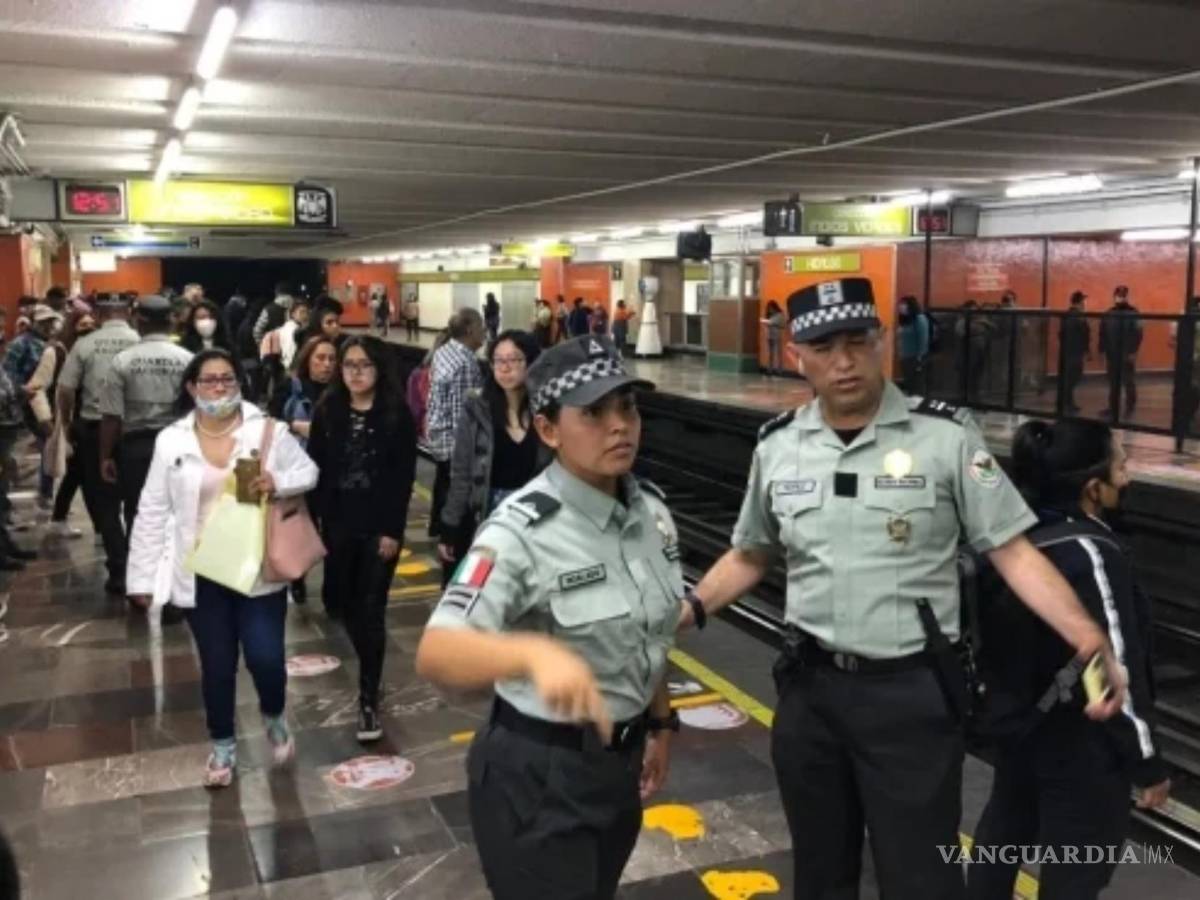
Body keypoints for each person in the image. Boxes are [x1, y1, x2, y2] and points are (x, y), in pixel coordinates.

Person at [679, 277, 1125, 900]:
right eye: (824, 345)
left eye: (858, 341)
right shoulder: (778, 446)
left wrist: (1087, 636)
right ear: (794, 355)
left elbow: (1012, 550)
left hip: (911, 696)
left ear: (882, 342)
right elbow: (752, 552)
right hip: (810, 693)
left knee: (920, 876)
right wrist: (690, 608)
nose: (844, 360)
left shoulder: (943, 437)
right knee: (820, 871)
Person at [416, 334, 680, 900]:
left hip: (617, 766)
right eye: (593, 412)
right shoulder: (520, 531)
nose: (620, 425)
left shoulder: (649, 512)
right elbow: (436, 652)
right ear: (548, 430)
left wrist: (659, 722)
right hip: (537, 776)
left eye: (627, 406)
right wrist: (531, 652)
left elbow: (647, 629)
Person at [969, 418, 1168, 900]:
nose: (1128, 477)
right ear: (1092, 488)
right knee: (1076, 874)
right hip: (1082, 744)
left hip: (1018, 728)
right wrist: (1145, 760)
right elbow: (1110, 657)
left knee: (999, 847)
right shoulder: (1089, 552)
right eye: (1120, 465)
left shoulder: (1016, 539)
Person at [126, 349, 318, 787]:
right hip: (201, 572)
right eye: (209, 381)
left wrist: (278, 481)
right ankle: (223, 747)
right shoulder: (171, 440)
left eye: (227, 380)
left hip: (256, 569)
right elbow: (152, 510)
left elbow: (309, 472)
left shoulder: (266, 429)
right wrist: (139, 579)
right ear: (192, 387)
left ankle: (273, 712)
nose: (219, 388)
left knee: (267, 657)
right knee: (217, 665)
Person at [307, 337, 417, 738]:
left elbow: (403, 478)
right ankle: (370, 663)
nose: (355, 372)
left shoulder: (396, 415)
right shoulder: (329, 411)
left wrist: (393, 530)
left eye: (364, 365)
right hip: (338, 525)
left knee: (371, 610)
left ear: (379, 370)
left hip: (378, 528)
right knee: (344, 605)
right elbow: (316, 468)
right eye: (348, 364)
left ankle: (368, 697)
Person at [99, 295, 193, 613]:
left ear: (138, 321)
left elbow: (111, 417)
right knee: (176, 517)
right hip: (178, 445)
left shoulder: (122, 361)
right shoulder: (186, 359)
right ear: (171, 322)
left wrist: (105, 456)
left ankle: (141, 587)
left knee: (139, 516)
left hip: (135, 448)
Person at [438, 329, 545, 575]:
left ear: (532, 362)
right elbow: (462, 473)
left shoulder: (548, 411)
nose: (505, 368)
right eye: (498, 360)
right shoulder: (477, 408)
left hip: (536, 519)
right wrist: (450, 526)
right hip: (486, 516)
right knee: (484, 589)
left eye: (514, 359)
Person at [57, 295, 139, 591]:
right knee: (136, 501)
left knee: (104, 502)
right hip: (134, 431)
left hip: (94, 430)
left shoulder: (85, 344)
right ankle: (138, 565)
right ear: (128, 313)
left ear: (100, 314)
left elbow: (66, 390)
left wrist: (66, 424)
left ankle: (118, 568)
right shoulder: (140, 341)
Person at [426, 309, 485, 545]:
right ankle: (451, 534)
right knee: (456, 490)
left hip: (437, 433)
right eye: (481, 327)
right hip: (453, 440)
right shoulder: (465, 362)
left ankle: (437, 526)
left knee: (441, 483)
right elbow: (466, 413)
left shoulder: (444, 351)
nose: (484, 332)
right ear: (470, 330)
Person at [5, 304, 60, 509]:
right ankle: (45, 493)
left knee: (49, 443)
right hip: (28, 401)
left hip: (46, 399)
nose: (47, 325)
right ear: (33, 322)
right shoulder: (21, 344)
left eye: (50, 321)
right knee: (48, 441)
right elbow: (8, 374)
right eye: (43, 321)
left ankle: (46, 492)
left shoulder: (49, 343)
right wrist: (20, 391)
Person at [269, 335, 337, 448]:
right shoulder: (289, 386)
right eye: (320, 358)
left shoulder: (339, 390)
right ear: (308, 359)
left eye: (332, 359)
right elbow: (271, 422)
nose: (327, 364)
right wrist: (296, 426)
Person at [1098, 285, 1142, 420]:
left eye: (1123, 295)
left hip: (1124, 353)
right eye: (1119, 295)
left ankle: (1129, 406)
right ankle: (1114, 407)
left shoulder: (1132, 313)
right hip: (1113, 353)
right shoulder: (1110, 313)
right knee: (1114, 382)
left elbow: (1138, 334)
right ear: (1115, 296)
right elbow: (1103, 333)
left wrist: (1133, 351)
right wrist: (1102, 350)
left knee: (1127, 381)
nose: (1121, 298)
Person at [1061, 290, 1091, 414]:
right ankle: (1067, 402)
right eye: (1083, 300)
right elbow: (1083, 335)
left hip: (1070, 351)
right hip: (1074, 351)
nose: (1085, 303)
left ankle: (1068, 402)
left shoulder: (1069, 315)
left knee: (1072, 377)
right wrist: (1086, 350)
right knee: (1073, 376)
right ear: (1079, 302)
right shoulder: (1077, 316)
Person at [895, 295, 930, 394]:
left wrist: (919, 358)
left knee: (917, 385)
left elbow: (923, 339)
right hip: (904, 357)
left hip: (914, 358)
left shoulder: (920, 319)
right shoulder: (905, 320)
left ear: (910, 306)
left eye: (903, 304)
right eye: (900, 304)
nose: (900, 307)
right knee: (909, 383)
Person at [761, 300, 786, 376]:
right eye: (769, 309)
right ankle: (770, 369)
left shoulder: (780, 315)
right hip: (770, 335)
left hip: (777, 335)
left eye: (771, 308)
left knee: (778, 353)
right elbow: (768, 323)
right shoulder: (770, 315)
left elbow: (772, 322)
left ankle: (779, 370)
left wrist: (765, 321)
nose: (770, 310)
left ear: (775, 307)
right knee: (770, 354)